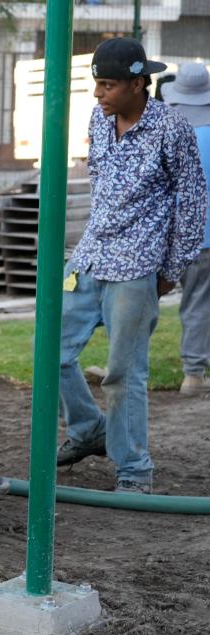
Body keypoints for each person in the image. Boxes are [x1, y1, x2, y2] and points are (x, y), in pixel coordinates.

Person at [56, 39, 208, 494]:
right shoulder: (98, 121)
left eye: (107, 85)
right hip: (90, 258)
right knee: (52, 355)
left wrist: (172, 268)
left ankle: (134, 470)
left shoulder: (171, 129)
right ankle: (89, 430)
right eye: (96, 84)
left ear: (138, 84)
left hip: (137, 266)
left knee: (124, 372)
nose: (98, 94)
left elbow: (193, 203)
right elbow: (100, 186)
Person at [161, 63, 210, 394]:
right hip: (205, 237)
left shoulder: (164, 131)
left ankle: (125, 366)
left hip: (166, 234)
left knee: (143, 302)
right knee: (199, 301)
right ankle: (193, 374)